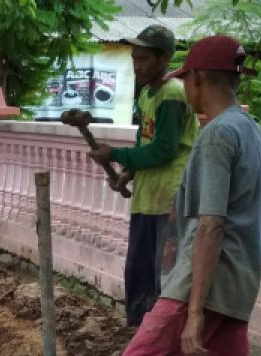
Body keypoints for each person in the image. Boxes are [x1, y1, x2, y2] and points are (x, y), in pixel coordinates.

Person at [47, 35, 261, 356]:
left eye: (186, 79)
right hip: (238, 284)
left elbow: (211, 224)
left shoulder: (216, 136)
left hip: (200, 283)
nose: (186, 88)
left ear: (199, 80)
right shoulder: (250, 129)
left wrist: (190, 312)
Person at [91, 24, 199, 327]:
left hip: (170, 198)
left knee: (161, 275)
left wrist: (116, 155)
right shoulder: (146, 95)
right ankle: (140, 333)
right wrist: (128, 173)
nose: (137, 66)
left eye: (143, 60)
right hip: (148, 196)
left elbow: (164, 149)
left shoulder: (173, 95)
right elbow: (144, 142)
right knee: (138, 271)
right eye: (134, 59)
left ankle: (159, 338)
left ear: (164, 59)